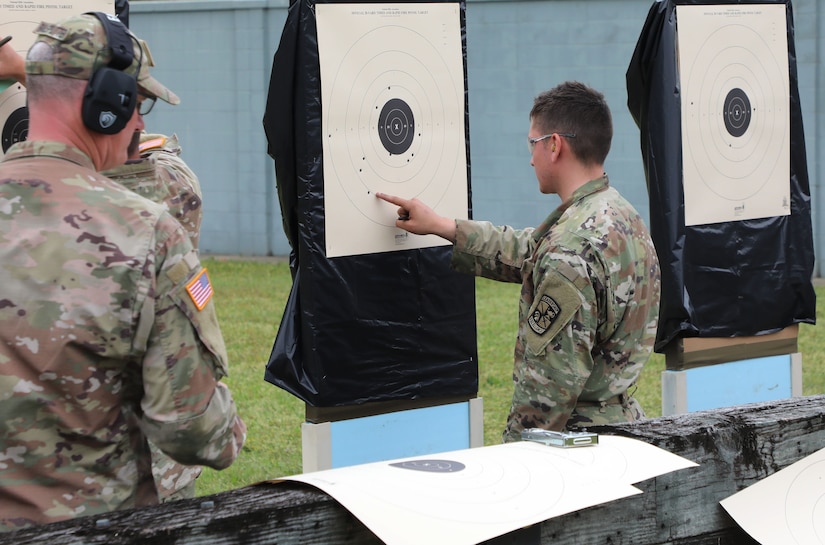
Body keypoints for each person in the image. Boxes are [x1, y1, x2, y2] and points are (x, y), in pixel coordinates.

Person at [0, 13, 246, 532]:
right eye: (138, 106)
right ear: (107, 105)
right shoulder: (146, 232)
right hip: (93, 528)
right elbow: (191, 429)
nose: (141, 125)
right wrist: (228, 430)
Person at [376, 81, 661, 442]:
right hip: (620, 428)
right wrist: (443, 227)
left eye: (533, 143)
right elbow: (531, 249)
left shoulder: (570, 247)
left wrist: (515, 460)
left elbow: (548, 391)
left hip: (577, 447)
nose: (530, 157)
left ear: (554, 145)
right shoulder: (620, 215)